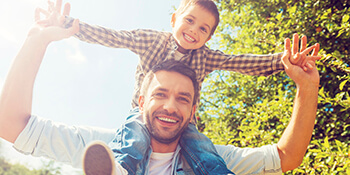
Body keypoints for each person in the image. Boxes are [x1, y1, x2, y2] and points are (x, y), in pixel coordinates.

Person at [0, 17, 319, 174]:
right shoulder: (103, 148)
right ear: (141, 100)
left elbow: (286, 157)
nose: (170, 106)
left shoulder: (208, 154)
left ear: (194, 109)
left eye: (183, 99)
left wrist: (304, 85)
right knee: (124, 151)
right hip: (119, 149)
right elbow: (10, 125)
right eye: (160, 94)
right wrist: (39, 41)